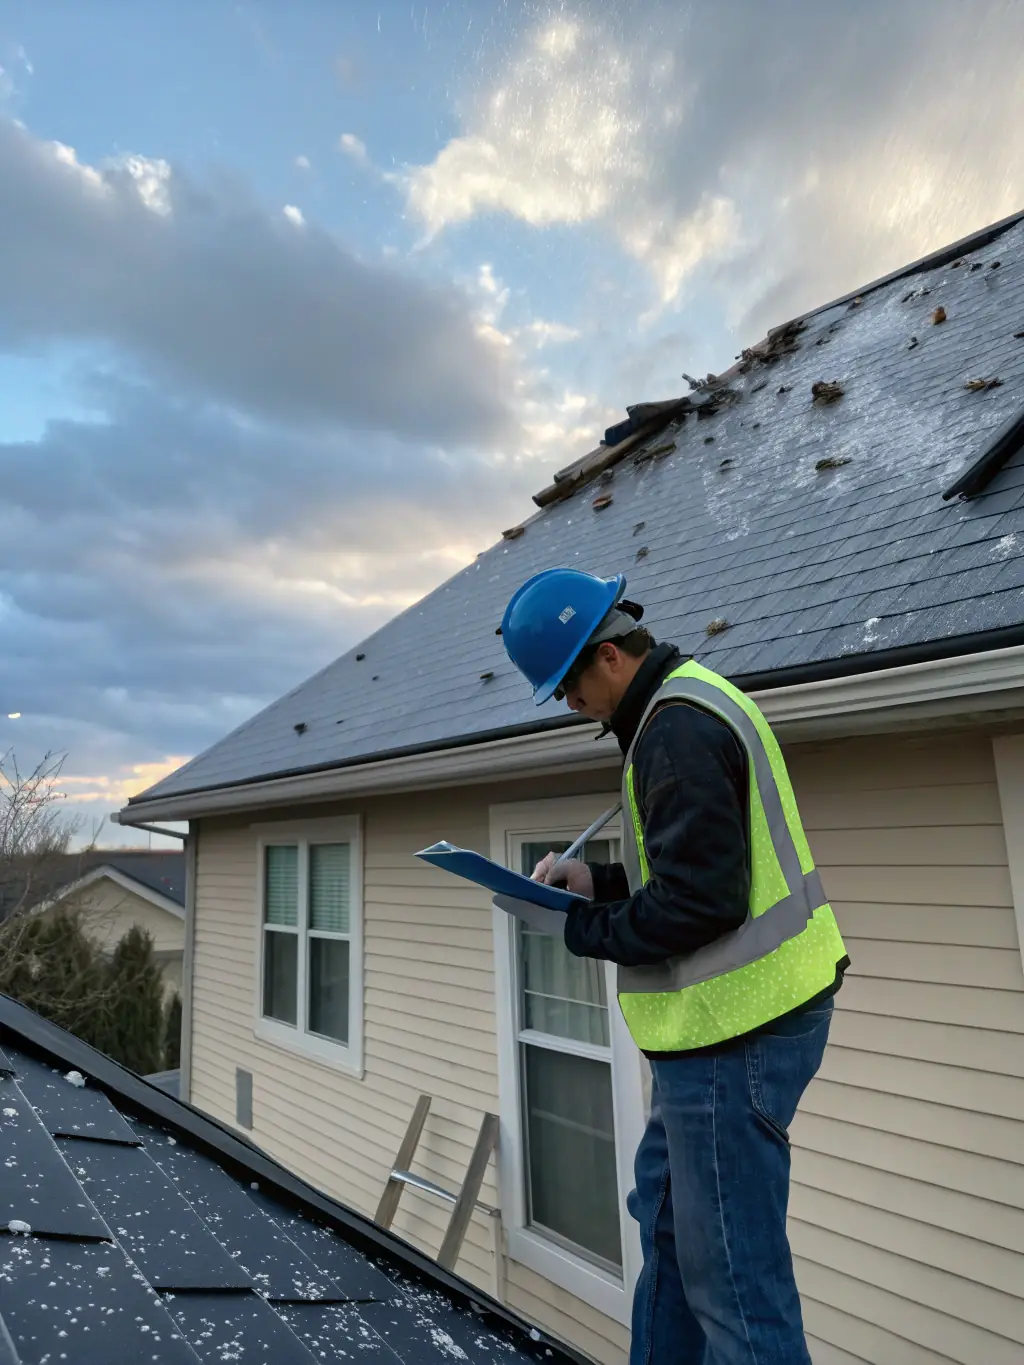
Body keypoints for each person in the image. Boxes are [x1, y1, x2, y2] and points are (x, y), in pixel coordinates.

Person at [499, 567, 848, 1365]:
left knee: (734, 1286)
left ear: (610, 656)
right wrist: (599, 883)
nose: (566, 704)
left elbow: (701, 907)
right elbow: (699, 878)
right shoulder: (677, 710)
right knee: (668, 1231)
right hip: (718, 1032)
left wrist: (581, 923)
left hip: (740, 1031)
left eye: (566, 684)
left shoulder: (676, 731)